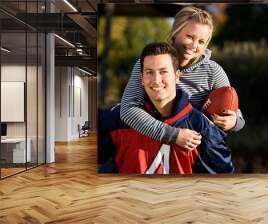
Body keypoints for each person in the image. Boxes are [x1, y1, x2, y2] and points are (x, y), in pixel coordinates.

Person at [120, 6, 245, 151]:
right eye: (190, 37)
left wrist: (234, 121)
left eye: (201, 42)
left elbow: (237, 115)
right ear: (175, 32)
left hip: (193, 157)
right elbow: (128, 110)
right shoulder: (149, 62)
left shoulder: (213, 71)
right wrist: (173, 135)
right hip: (149, 150)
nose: (194, 45)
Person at [100, 42, 233, 174]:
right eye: (149, 72)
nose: (156, 80)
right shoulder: (116, 120)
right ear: (141, 78)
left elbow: (223, 186)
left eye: (163, 72)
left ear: (177, 76)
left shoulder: (202, 128)